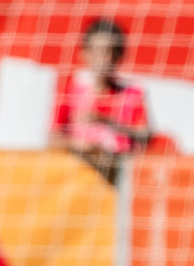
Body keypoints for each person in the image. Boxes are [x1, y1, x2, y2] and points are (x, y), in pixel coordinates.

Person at [49, 16, 149, 181]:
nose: (106, 59)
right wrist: (80, 145)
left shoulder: (132, 94)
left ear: (120, 55)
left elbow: (146, 136)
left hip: (120, 178)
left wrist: (107, 121)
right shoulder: (71, 92)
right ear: (85, 54)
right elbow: (51, 139)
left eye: (112, 52)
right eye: (100, 52)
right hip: (78, 181)